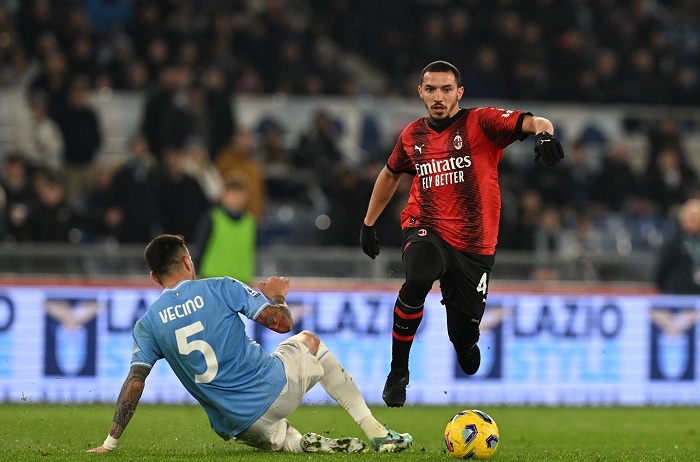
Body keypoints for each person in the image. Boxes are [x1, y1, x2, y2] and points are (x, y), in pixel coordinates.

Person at [88, 234, 412, 454]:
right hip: (272, 390)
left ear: (154, 277)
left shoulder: (148, 324)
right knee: (309, 341)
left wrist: (110, 442)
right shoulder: (220, 287)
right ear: (187, 261)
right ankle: (376, 432)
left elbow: (135, 383)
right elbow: (283, 324)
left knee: (279, 435)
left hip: (237, 424)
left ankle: (300, 443)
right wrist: (278, 296)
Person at [359, 60, 564, 407]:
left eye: (446, 89)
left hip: (474, 245)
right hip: (426, 226)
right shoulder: (412, 135)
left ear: (459, 93)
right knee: (418, 278)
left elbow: (536, 122)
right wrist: (368, 223)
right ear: (420, 92)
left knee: (464, 342)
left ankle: (466, 341)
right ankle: (398, 372)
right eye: (431, 89)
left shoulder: (482, 122)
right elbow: (391, 173)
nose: (438, 97)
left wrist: (545, 134)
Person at [192, 174, 256, 283]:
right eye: (232, 193)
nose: (235, 198)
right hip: (212, 281)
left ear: (246, 197)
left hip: (241, 282)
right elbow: (200, 248)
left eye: (239, 194)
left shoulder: (250, 223)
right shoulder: (212, 218)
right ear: (223, 195)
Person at [654, 198, 700, 294]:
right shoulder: (673, 243)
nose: (695, 220)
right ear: (683, 218)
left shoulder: (697, 242)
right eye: (692, 216)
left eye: (697, 216)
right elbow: (661, 271)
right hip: (674, 295)